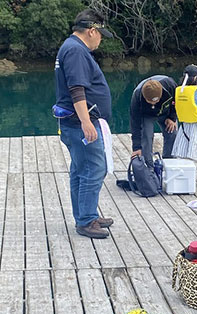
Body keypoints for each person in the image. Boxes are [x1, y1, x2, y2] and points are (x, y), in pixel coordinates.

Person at [54, 9, 114, 239]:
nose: (100, 40)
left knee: (80, 169)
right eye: (100, 35)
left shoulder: (70, 48)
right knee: (93, 168)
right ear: (91, 31)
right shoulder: (76, 51)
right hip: (79, 123)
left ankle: (85, 215)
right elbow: (77, 89)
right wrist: (86, 122)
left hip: (72, 122)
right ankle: (86, 220)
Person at [130, 75, 178, 164]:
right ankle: (148, 165)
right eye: (150, 102)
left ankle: (169, 162)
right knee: (147, 137)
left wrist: (172, 118)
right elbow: (135, 123)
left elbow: (177, 101)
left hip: (165, 111)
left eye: (156, 101)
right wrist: (136, 148)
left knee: (172, 132)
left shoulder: (170, 85)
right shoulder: (137, 97)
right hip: (147, 115)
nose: (153, 104)